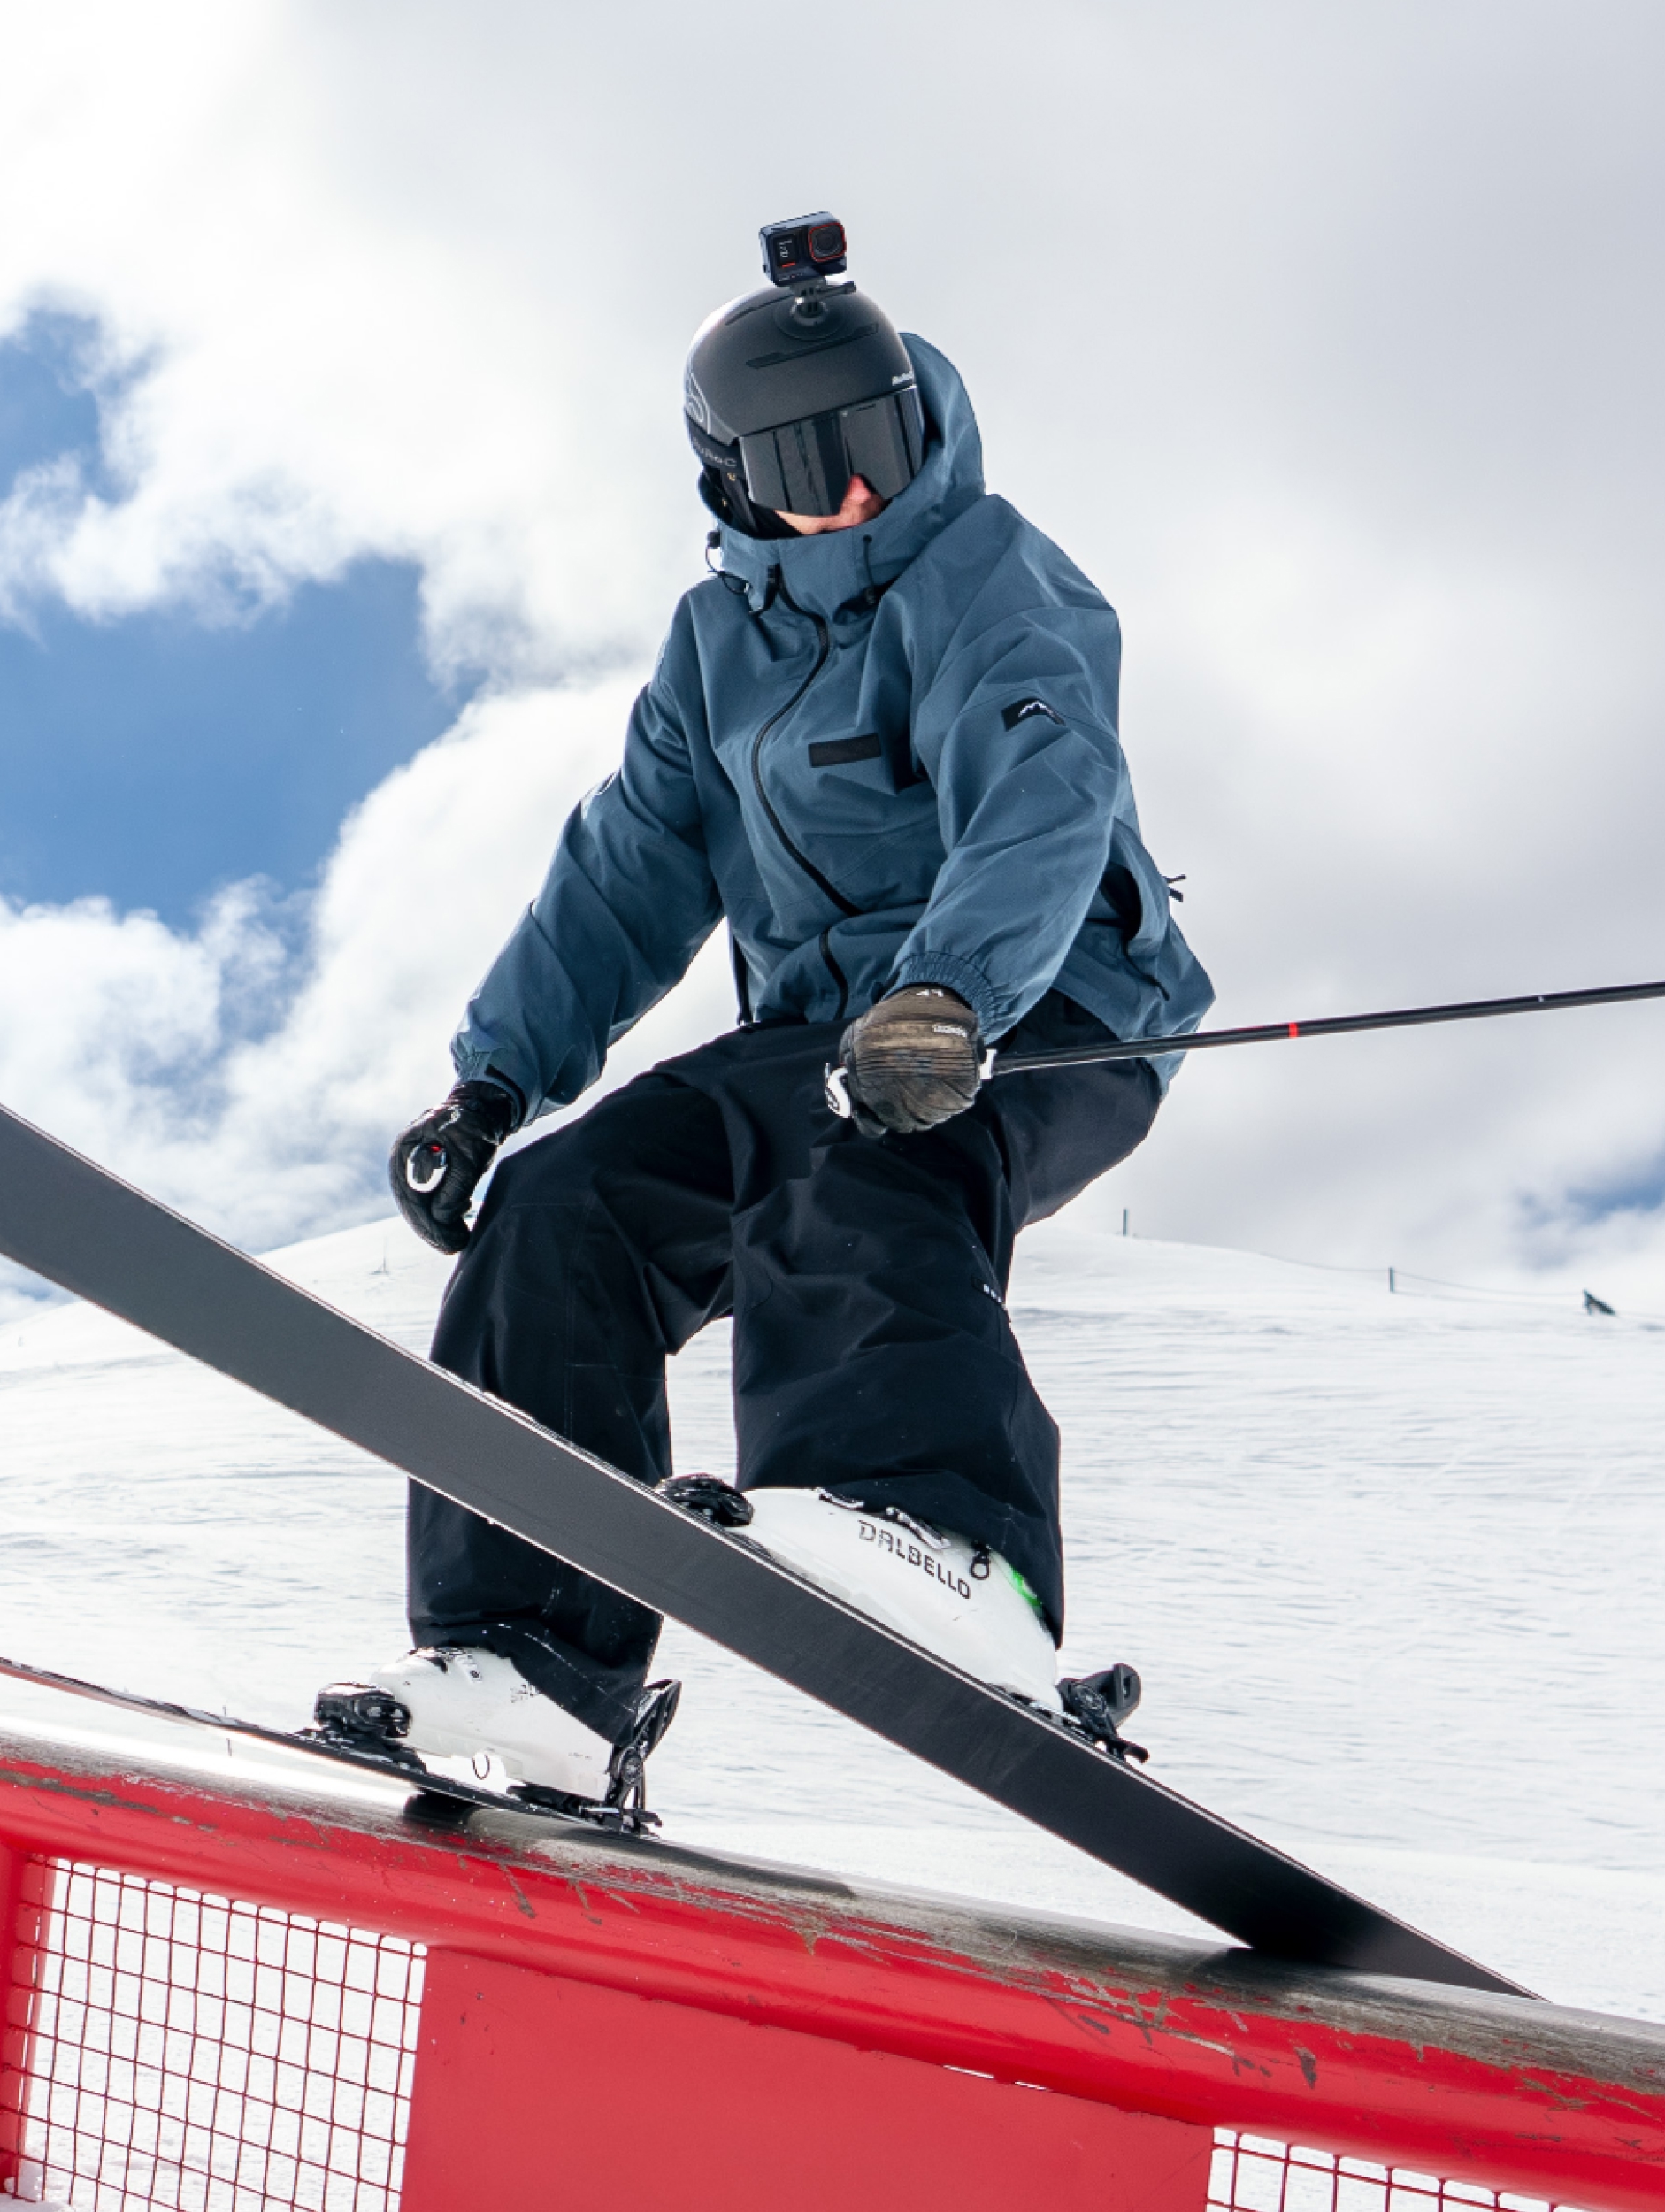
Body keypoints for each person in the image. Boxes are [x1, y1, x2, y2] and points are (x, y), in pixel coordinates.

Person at [317, 214, 1212, 1810]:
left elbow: (1046, 784)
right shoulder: (713, 645)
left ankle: (946, 1536)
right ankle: (536, 1659)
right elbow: (628, 867)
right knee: (565, 1208)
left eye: (869, 441)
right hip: (823, 1029)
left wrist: (948, 996)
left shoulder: (986, 574)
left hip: (1043, 997)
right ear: (730, 477)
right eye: (802, 461)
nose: (850, 490)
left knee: (855, 1148)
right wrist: (494, 1085)